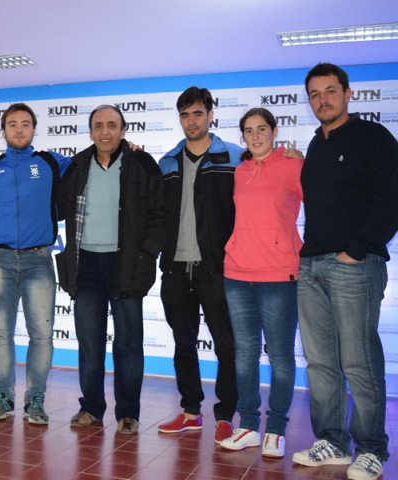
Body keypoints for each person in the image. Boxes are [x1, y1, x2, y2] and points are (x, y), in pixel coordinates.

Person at [291, 63, 398, 480]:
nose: (323, 100)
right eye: (315, 94)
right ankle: (332, 441)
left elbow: (392, 195)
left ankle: (372, 448)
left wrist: (359, 250)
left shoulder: (373, 137)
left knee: (359, 361)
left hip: (355, 265)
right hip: (312, 264)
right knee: (319, 362)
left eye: (330, 91)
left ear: (348, 93)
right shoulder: (316, 144)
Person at [56, 105, 166, 434]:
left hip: (127, 265)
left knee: (129, 344)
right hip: (85, 265)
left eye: (112, 125)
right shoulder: (76, 165)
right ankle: (91, 408)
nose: (105, 131)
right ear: (91, 131)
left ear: (123, 130)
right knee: (90, 343)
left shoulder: (142, 163)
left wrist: (146, 253)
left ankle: (128, 412)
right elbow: (59, 206)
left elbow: (160, 213)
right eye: (99, 125)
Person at [157, 86, 241, 443]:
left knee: (226, 345)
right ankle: (191, 411)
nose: (191, 121)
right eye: (185, 115)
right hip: (176, 268)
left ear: (211, 115)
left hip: (218, 268)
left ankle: (225, 416)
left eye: (197, 113)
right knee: (183, 344)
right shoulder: (167, 162)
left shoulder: (235, 157)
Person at [218, 108, 303, 458]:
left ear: (274, 131)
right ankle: (249, 426)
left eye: (261, 129)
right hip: (237, 273)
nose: (255, 136)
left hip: (279, 275)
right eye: (249, 131)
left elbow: (327, 203)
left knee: (281, 357)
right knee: (245, 356)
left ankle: (277, 430)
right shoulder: (239, 171)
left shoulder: (294, 165)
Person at [0, 103, 72, 425]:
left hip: (38, 260)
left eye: (25, 124)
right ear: (3, 130)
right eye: (12, 124)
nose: (19, 129)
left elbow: (92, 163)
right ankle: (2, 397)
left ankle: (35, 400)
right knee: (1, 335)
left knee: (42, 336)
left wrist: (127, 149)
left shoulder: (50, 162)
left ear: (34, 129)